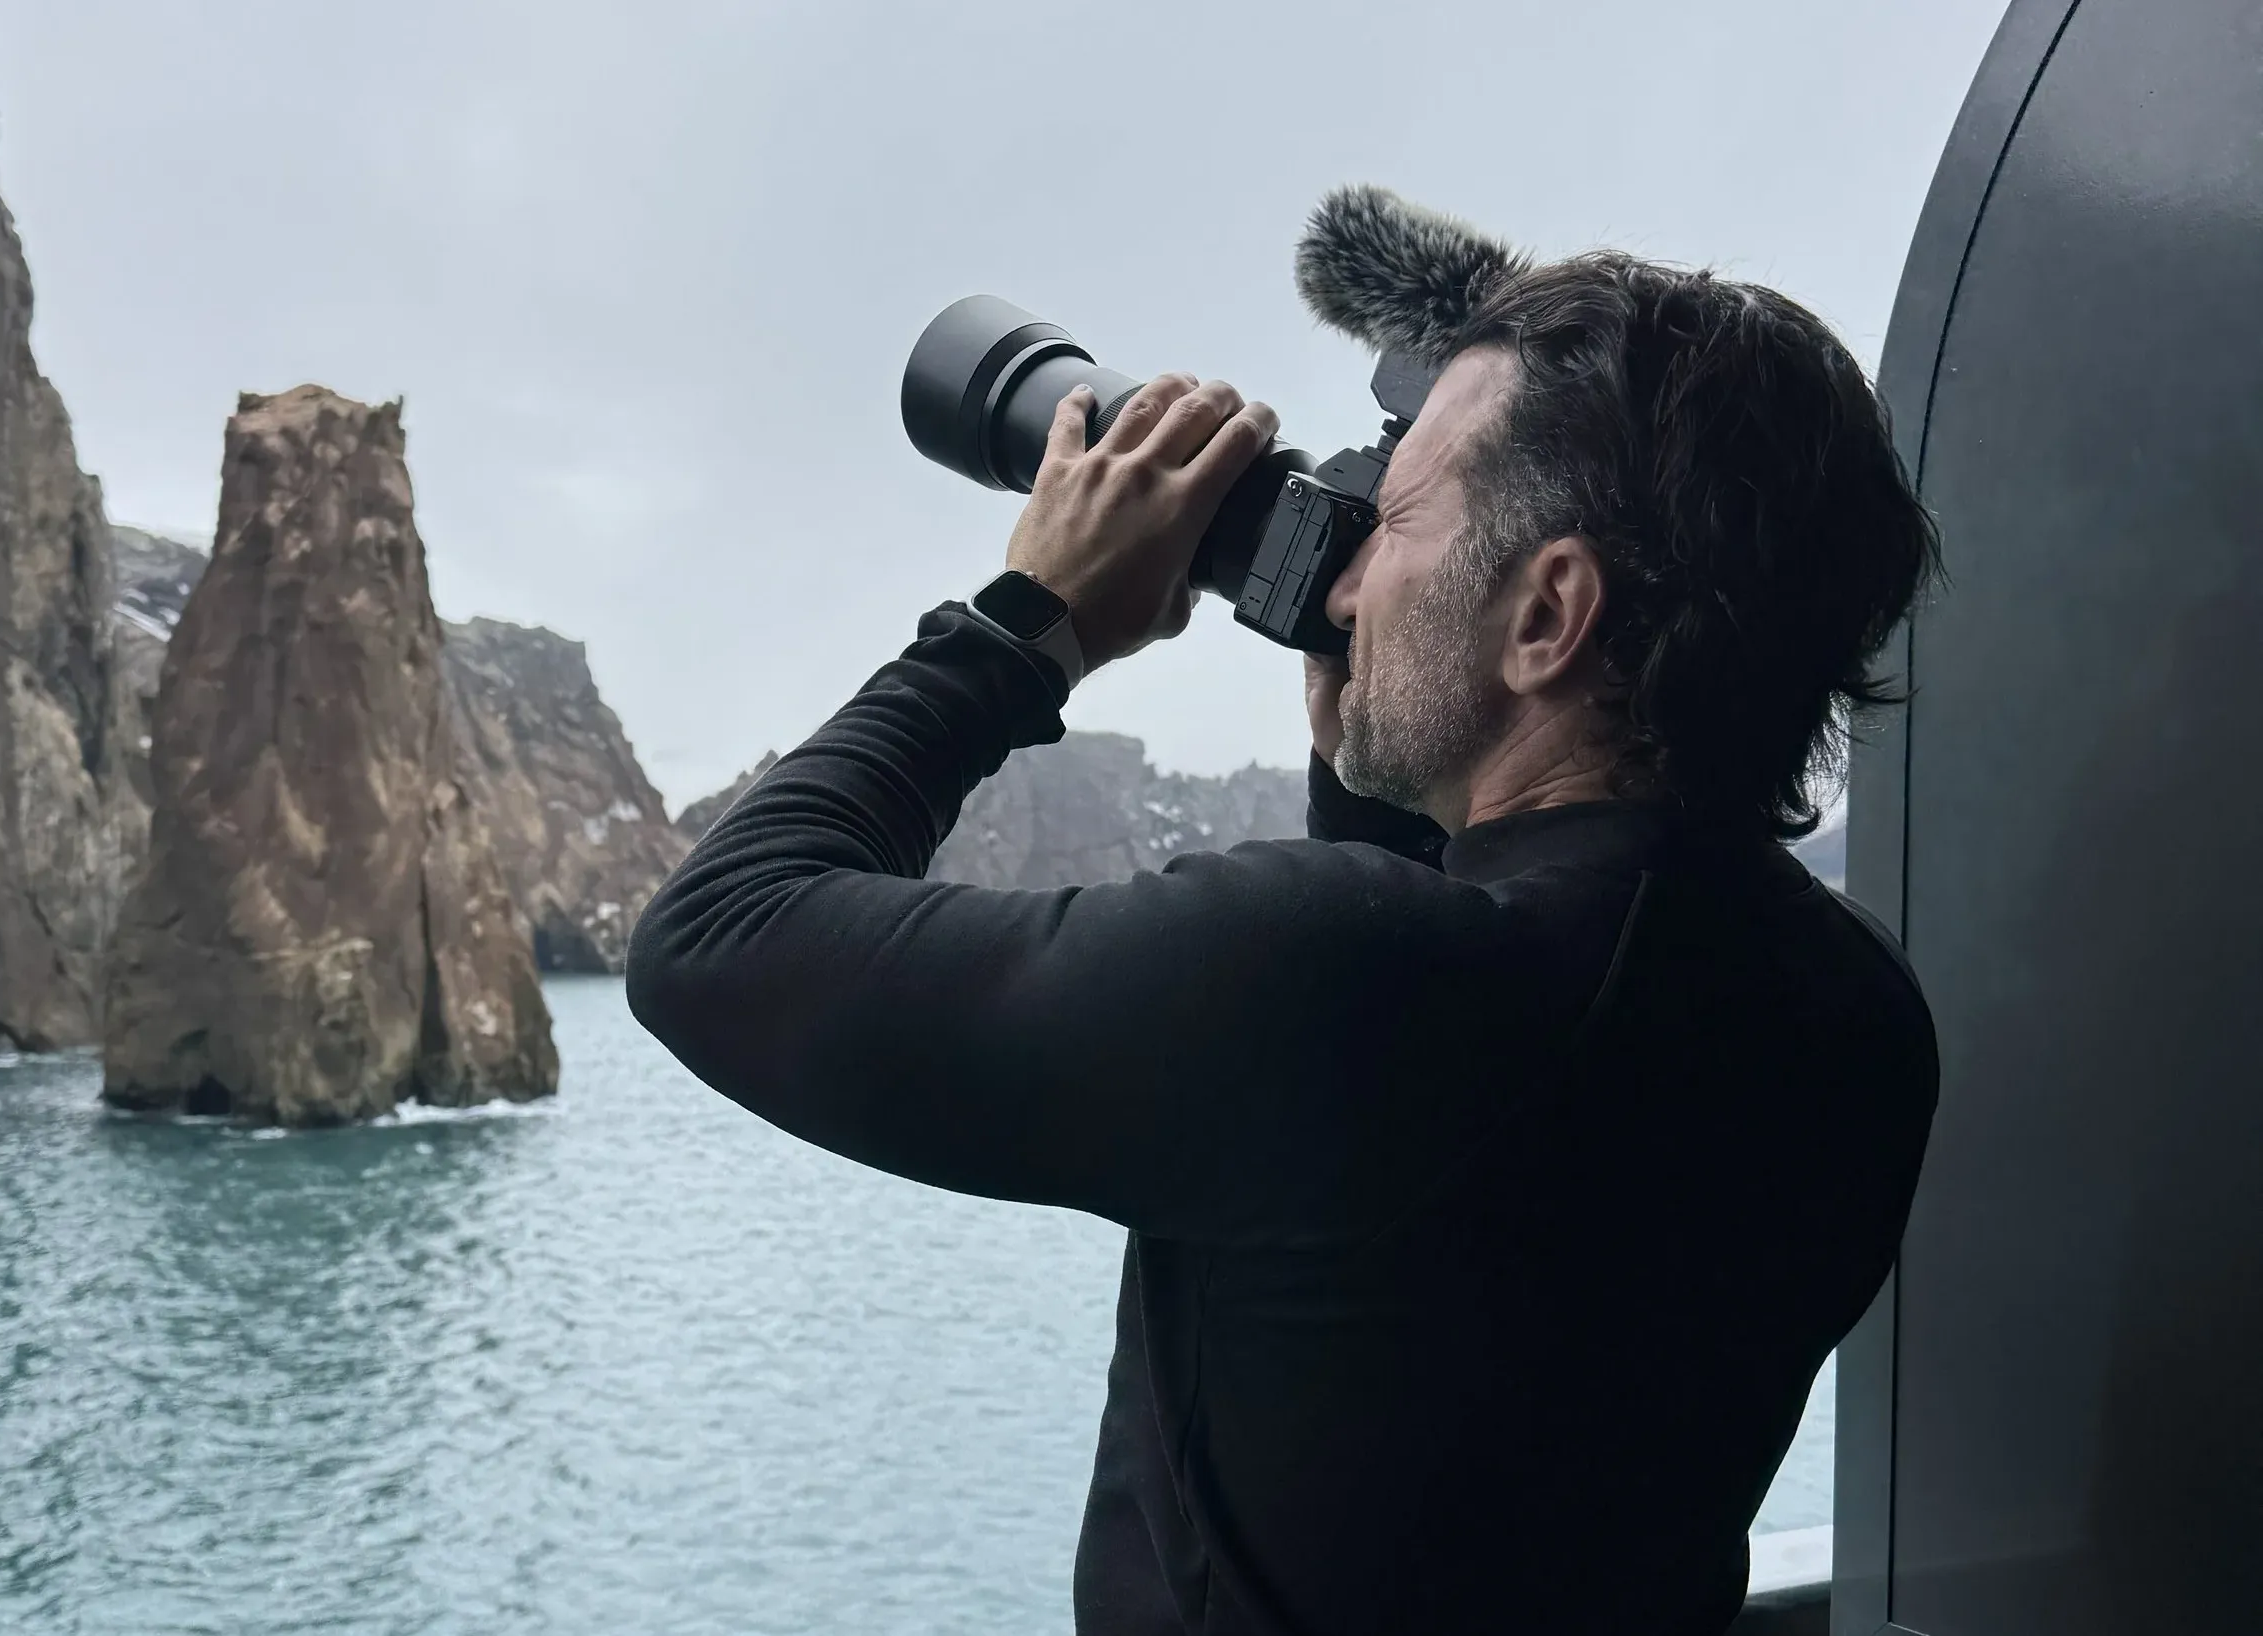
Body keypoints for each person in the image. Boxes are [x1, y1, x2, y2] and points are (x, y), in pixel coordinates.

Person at [625, 251, 1942, 1635]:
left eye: (1396, 527)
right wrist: (1369, 767)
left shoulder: (1349, 985)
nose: (1351, 580)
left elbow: (715, 942)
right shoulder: (1860, 1019)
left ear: (1547, 613)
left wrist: (1030, 624)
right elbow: (1451, 1317)